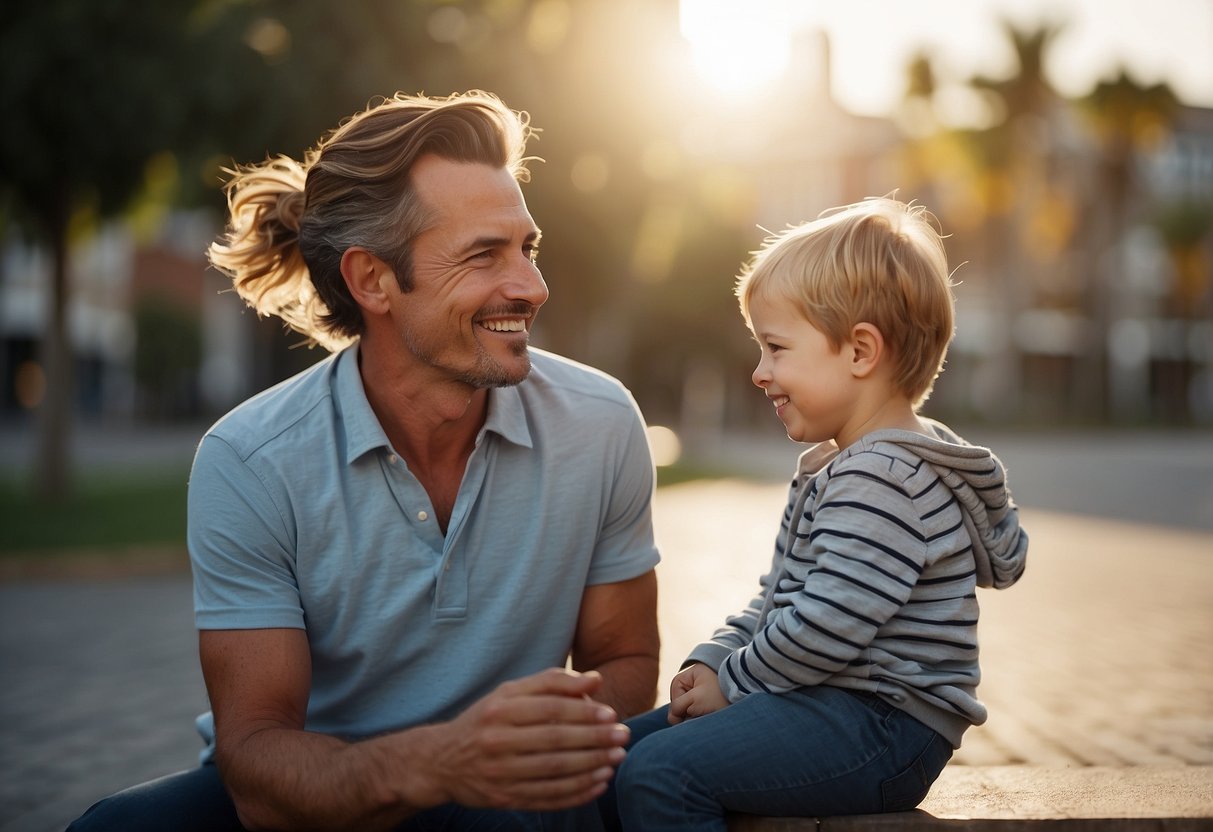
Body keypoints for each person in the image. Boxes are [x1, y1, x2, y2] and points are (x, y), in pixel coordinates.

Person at [68, 90, 661, 832]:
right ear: (371, 280)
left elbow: (628, 658)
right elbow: (254, 760)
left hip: (500, 800)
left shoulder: (600, 423)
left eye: (526, 248)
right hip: (308, 791)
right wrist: (440, 761)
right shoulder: (249, 460)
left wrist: (529, 742)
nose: (531, 287)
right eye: (484, 255)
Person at [606, 197, 1029, 830]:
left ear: (860, 352)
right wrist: (717, 658)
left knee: (660, 773)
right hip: (832, 701)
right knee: (604, 762)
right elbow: (782, 598)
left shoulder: (883, 478)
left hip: (882, 725)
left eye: (776, 348)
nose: (758, 372)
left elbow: (826, 625)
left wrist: (736, 684)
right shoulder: (854, 464)